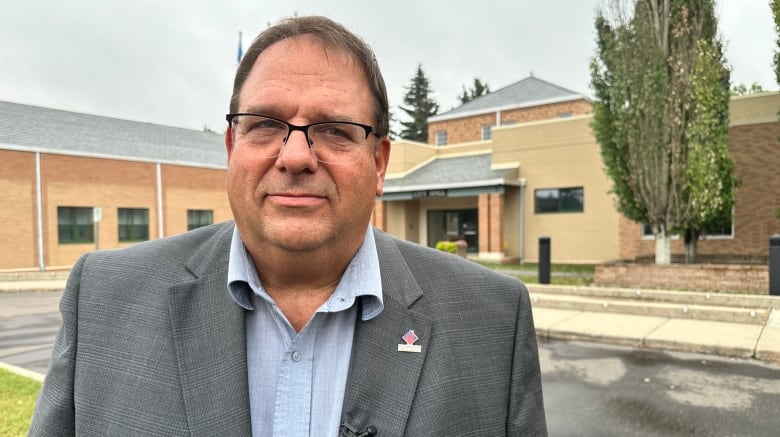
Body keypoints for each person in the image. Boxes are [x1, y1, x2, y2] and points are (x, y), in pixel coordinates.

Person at [29, 15, 546, 436]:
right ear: (233, 147)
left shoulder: (493, 322)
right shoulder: (103, 299)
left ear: (381, 162)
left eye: (334, 130)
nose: (296, 156)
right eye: (266, 125)